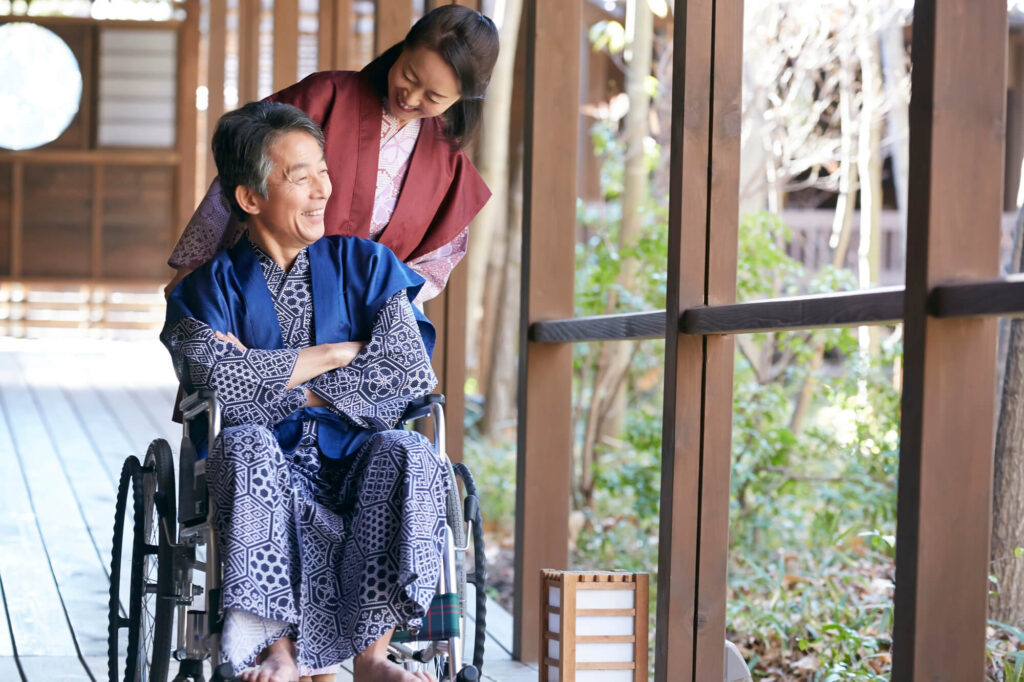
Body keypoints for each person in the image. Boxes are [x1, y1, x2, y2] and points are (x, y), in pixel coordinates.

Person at [162, 101, 447, 682]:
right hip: (261, 465)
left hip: (357, 456)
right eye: (301, 177)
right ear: (250, 198)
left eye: (323, 170)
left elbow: (405, 374)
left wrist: (272, 377)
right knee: (245, 444)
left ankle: (372, 654)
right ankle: (279, 648)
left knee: (411, 450)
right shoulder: (204, 291)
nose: (323, 190)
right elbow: (216, 387)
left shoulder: (367, 265)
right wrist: (336, 354)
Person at [165, 4, 499, 305]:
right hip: (256, 293)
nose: (410, 97)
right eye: (410, 76)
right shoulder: (325, 97)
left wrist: (383, 303)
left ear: (460, 99)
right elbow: (239, 178)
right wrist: (194, 267)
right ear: (402, 49)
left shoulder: (449, 167)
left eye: (434, 96)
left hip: (359, 322)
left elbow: (436, 263)